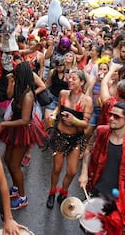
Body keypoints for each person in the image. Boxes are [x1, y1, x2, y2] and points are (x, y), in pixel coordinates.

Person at [0, 62, 48, 210]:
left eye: (15, 74)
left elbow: (25, 120)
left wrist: (3, 125)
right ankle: (17, 188)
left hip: (22, 130)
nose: (13, 74)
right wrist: (11, 81)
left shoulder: (28, 96)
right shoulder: (19, 88)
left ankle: (22, 198)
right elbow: (9, 95)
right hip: (15, 128)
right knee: (7, 159)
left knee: (14, 164)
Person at [78, 101, 125, 200]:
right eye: (110, 114)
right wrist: (84, 173)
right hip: (95, 188)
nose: (111, 118)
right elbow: (88, 150)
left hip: (120, 196)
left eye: (116, 117)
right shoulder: (100, 131)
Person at [46, 70, 93, 208]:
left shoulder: (87, 100)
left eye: (74, 79)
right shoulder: (63, 93)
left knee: (72, 171)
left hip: (76, 138)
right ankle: (52, 192)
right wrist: (54, 114)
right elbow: (58, 109)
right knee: (57, 168)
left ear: (82, 82)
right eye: (69, 78)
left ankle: (64, 191)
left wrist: (75, 121)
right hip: (60, 136)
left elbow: (85, 124)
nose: (70, 81)